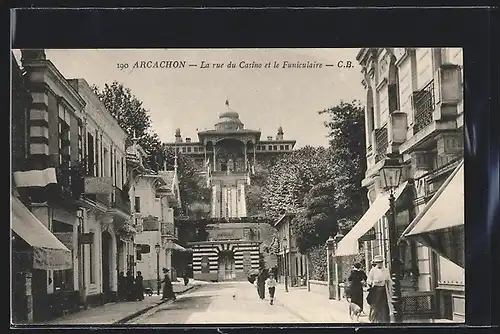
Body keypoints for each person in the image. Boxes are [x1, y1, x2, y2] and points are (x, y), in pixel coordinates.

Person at [366, 255, 392, 323]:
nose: (379, 263)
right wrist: (373, 282)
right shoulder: (373, 270)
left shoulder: (386, 270)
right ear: (376, 263)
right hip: (375, 290)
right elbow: (368, 280)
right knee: (374, 306)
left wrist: (390, 288)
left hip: (383, 290)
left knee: (383, 307)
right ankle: (373, 321)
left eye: (381, 262)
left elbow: (388, 279)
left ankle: (384, 322)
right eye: (378, 262)